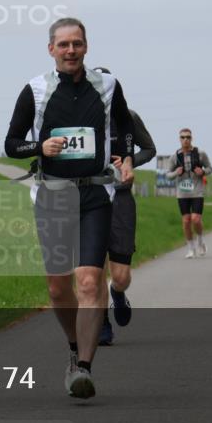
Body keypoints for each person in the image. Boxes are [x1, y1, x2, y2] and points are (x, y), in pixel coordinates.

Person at [5, 18, 134, 399]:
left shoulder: (108, 85)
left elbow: (125, 126)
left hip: (95, 194)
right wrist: (39, 148)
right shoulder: (36, 90)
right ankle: (74, 348)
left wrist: (126, 156)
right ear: (51, 49)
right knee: (58, 287)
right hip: (53, 195)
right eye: (63, 44)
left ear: (86, 46)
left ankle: (84, 369)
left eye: (77, 43)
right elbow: (11, 143)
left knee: (90, 281)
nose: (71, 50)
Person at [92, 67, 156, 346]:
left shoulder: (128, 117)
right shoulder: (80, 121)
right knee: (93, 270)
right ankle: (102, 324)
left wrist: (128, 161)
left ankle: (117, 293)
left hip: (120, 197)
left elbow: (149, 149)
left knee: (120, 276)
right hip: (89, 197)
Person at [165, 128, 212, 259]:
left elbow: (210, 168)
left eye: (188, 137)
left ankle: (200, 241)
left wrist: (203, 172)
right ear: (179, 139)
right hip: (182, 193)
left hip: (197, 191)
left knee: (196, 219)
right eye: (183, 137)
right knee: (186, 221)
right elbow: (168, 175)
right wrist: (176, 173)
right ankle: (191, 248)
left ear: (191, 138)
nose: (185, 139)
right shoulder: (175, 157)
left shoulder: (201, 154)